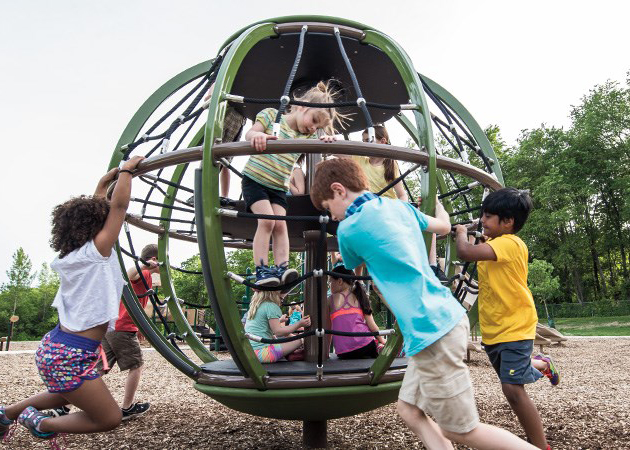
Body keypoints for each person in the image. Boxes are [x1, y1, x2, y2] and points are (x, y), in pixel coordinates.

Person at [310, 158, 537, 449]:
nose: (334, 217)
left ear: (339, 190)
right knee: (409, 410)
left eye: (329, 209)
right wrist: (438, 204)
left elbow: (351, 266)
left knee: (463, 431)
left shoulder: (348, 230)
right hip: (442, 322)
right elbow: (442, 226)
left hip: (432, 331)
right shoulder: (399, 207)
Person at [0, 156, 144, 442]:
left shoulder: (72, 256)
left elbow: (102, 209)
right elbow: (119, 206)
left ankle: (7, 414)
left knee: (62, 394)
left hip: (58, 348)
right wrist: (127, 172)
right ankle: (41, 424)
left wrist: (103, 183)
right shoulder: (96, 252)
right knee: (109, 417)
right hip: (69, 354)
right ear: (96, 226)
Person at [454, 188, 559, 450]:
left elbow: (465, 253)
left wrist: (460, 233)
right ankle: (541, 364)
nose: (483, 221)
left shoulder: (510, 244)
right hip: (495, 327)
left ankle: (540, 445)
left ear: (508, 221)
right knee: (511, 375)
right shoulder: (492, 244)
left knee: (512, 389)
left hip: (515, 325)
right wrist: (475, 232)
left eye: (488, 216)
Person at [243, 80, 343, 286]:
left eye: (318, 127)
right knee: (267, 221)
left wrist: (324, 141)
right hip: (256, 180)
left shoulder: (304, 135)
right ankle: (261, 269)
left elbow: (320, 146)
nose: (313, 128)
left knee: (281, 226)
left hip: (279, 187)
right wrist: (259, 136)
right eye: (314, 120)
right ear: (303, 106)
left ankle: (282, 270)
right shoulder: (272, 116)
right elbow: (250, 133)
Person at [99, 243, 160, 420]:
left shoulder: (147, 278)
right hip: (122, 328)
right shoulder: (145, 272)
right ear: (154, 259)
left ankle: (63, 406)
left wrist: (140, 326)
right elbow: (131, 274)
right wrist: (144, 265)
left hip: (110, 327)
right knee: (136, 365)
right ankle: (127, 408)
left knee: (98, 369)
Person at [328, 265, 385, 359]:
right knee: (377, 343)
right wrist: (382, 340)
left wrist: (325, 353)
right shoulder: (360, 296)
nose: (329, 285)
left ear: (340, 281)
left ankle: (379, 346)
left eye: (330, 281)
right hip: (366, 346)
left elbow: (327, 330)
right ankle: (379, 346)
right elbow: (372, 326)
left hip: (344, 352)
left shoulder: (330, 300)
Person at [244, 291, 311, 363]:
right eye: (281, 299)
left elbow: (264, 326)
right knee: (299, 340)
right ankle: (295, 353)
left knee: (278, 339)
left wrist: (279, 321)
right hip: (262, 354)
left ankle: (291, 353)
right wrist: (299, 324)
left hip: (250, 352)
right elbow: (278, 331)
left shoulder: (257, 305)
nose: (281, 302)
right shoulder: (271, 305)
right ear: (275, 295)